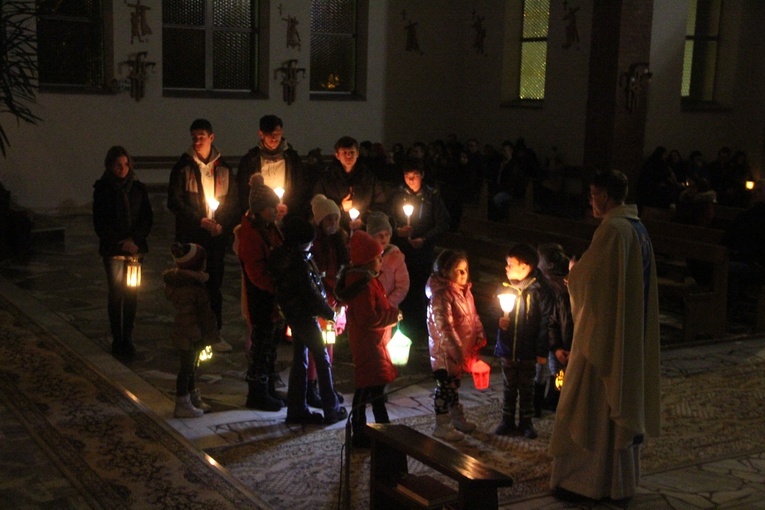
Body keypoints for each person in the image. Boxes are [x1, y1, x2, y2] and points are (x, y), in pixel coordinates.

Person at [549, 170, 661, 502]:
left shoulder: (613, 229)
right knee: (618, 400)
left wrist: (573, 274)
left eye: (594, 194)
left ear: (606, 196)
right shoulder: (637, 229)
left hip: (606, 339)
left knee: (592, 405)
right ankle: (618, 483)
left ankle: (588, 483)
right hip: (626, 334)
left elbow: (593, 281)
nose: (591, 200)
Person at [167, 119, 238, 353]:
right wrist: (200, 220)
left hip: (215, 237)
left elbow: (232, 203)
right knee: (191, 285)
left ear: (211, 137)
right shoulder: (183, 168)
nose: (197, 141)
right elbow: (175, 201)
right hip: (193, 236)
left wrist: (222, 224)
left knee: (214, 284)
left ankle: (214, 331)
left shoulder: (224, 169)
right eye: (194, 137)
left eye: (201, 136)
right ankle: (193, 332)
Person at [268, 216, 348, 425]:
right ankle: (331, 408)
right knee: (322, 359)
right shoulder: (299, 264)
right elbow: (310, 294)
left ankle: (296, 409)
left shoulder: (287, 257)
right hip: (304, 316)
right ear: (302, 241)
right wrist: (331, 314)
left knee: (300, 360)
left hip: (294, 315)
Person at [334, 230, 401, 448]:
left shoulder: (368, 280)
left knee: (368, 388)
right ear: (368, 261)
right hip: (369, 344)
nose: (381, 261)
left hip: (373, 343)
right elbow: (368, 318)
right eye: (378, 257)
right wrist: (393, 315)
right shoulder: (362, 285)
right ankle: (382, 432)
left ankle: (363, 432)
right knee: (373, 390)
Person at [93, 145, 153, 357]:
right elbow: (101, 222)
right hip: (114, 250)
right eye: (118, 165)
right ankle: (117, 337)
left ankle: (127, 336)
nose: (123, 168)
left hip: (135, 249)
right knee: (116, 294)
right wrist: (121, 242)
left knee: (131, 294)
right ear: (110, 166)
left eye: (126, 164)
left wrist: (135, 239)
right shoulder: (103, 189)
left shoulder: (137, 188)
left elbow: (147, 218)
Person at [425, 249, 487, 441]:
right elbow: (445, 327)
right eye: (458, 270)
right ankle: (442, 424)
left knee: (454, 385)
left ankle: (456, 417)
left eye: (465, 270)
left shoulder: (465, 293)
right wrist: (457, 350)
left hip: (462, 351)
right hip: (445, 353)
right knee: (444, 387)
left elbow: (473, 317)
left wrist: (479, 335)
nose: (463, 274)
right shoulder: (441, 296)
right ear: (444, 272)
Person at [493, 243, 553, 439]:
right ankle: (507, 420)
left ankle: (526, 422)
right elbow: (496, 309)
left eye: (510, 264)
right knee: (509, 385)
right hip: (508, 347)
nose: (506, 268)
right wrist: (500, 320)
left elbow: (546, 322)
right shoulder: (505, 287)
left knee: (526, 386)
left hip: (528, 348)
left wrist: (542, 351)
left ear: (525, 267)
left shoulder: (540, 291)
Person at [237, 174, 286, 411]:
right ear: (258, 210)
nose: (276, 211)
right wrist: (276, 286)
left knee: (271, 344)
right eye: (271, 208)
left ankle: (268, 389)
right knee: (261, 345)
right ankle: (256, 392)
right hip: (261, 298)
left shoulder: (268, 228)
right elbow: (256, 272)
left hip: (273, 297)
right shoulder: (251, 235)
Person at [389, 157, 451, 346]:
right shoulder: (398, 195)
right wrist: (397, 230)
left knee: (421, 291)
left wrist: (425, 239)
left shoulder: (432, 196)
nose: (411, 180)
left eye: (415, 176)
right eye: (408, 176)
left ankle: (421, 332)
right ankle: (403, 328)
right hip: (402, 252)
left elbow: (443, 223)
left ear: (422, 176)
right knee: (402, 289)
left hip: (423, 251)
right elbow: (387, 217)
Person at [164, 242, 220, 418]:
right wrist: (202, 334)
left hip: (191, 331)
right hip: (189, 333)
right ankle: (182, 402)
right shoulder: (189, 287)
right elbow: (194, 314)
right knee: (187, 368)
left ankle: (192, 396)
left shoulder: (192, 282)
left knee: (192, 366)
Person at [305, 193, 349, 408]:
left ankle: (326, 384)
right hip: (320, 302)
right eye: (328, 219)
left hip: (334, 301)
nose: (332, 223)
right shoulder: (314, 244)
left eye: (335, 219)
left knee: (328, 345)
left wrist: (341, 299)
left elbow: (342, 270)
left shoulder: (339, 242)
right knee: (316, 347)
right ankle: (312, 385)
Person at [236, 114, 308, 219]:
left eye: (277, 134)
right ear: (261, 134)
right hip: (259, 219)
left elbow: (300, 189)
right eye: (270, 134)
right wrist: (257, 210)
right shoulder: (251, 160)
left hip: (288, 218)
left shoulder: (292, 159)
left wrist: (290, 207)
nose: (274, 138)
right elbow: (242, 192)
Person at [313, 135, 387, 232]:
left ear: (357, 154)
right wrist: (340, 206)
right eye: (344, 152)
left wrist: (364, 219)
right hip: (336, 230)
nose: (348, 156)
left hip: (364, 230)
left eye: (352, 152)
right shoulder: (327, 178)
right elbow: (317, 204)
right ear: (337, 155)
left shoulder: (368, 177)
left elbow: (380, 204)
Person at [536, 243, 573, 413]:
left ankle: (558, 398)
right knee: (555, 368)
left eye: (540, 261)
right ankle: (552, 397)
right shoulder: (551, 287)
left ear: (549, 265)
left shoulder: (563, 289)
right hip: (557, 337)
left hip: (566, 339)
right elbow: (553, 320)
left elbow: (567, 320)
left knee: (561, 371)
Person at [366, 211, 409, 309]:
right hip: (367, 307)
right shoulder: (364, 256)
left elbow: (403, 285)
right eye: (379, 234)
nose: (383, 238)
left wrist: (388, 303)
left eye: (386, 234)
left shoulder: (396, 257)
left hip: (387, 309)